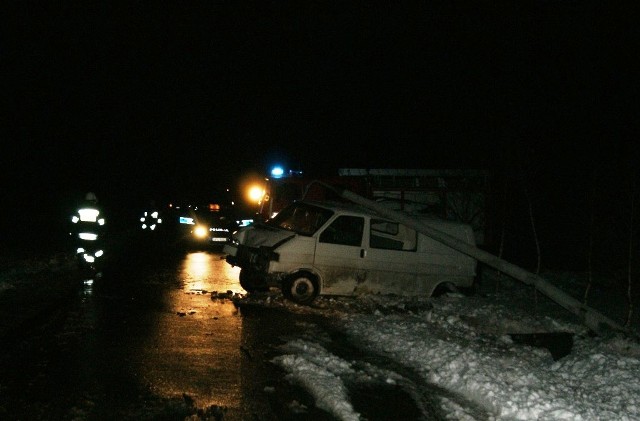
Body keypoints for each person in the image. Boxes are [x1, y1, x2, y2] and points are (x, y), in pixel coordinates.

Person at [70, 192, 106, 270]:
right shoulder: (98, 209)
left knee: (80, 249)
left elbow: (73, 221)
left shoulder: (79, 209)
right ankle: (93, 265)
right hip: (93, 235)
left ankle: (81, 263)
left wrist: (72, 231)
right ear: (94, 200)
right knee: (96, 251)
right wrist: (103, 232)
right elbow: (102, 223)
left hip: (81, 235)